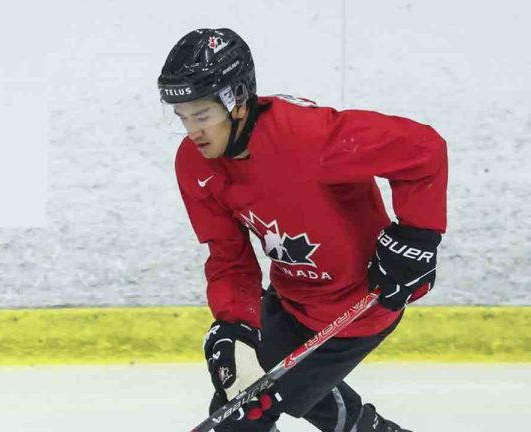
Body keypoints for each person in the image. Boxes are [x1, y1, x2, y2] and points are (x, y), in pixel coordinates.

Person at [157, 28, 447, 432]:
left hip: (359, 305)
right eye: (182, 117)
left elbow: (423, 149)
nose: (192, 131)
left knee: (248, 416)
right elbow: (228, 257)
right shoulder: (195, 165)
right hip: (291, 301)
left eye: (202, 115)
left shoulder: (310, 139)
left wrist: (417, 238)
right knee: (240, 400)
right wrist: (233, 326)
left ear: (237, 100)